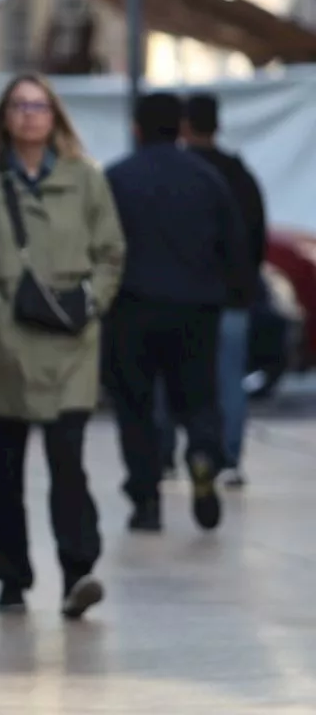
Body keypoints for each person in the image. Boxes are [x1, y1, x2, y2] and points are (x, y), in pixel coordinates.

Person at [0, 73, 126, 618]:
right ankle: (11, 579)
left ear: (55, 117)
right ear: (4, 116)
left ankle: (78, 572)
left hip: (71, 342)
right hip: (2, 347)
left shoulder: (86, 180)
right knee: (4, 471)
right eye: (19, 106)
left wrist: (91, 301)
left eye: (40, 106)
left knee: (68, 463)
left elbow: (111, 253)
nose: (30, 115)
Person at [104, 93, 252, 533]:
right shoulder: (208, 180)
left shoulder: (116, 179)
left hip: (131, 308)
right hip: (196, 310)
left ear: (136, 128)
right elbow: (235, 248)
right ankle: (204, 452)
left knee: (136, 405)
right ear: (182, 127)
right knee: (199, 398)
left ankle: (146, 498)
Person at [164, 93, 267, 489]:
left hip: (183, 296)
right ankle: (228, 458)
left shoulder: (179, 174)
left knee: (171, 377)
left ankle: (170, 457)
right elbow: (256, 237)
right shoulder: (239, 176)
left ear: (185, 126)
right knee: (229, 381)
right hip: (231, 298)